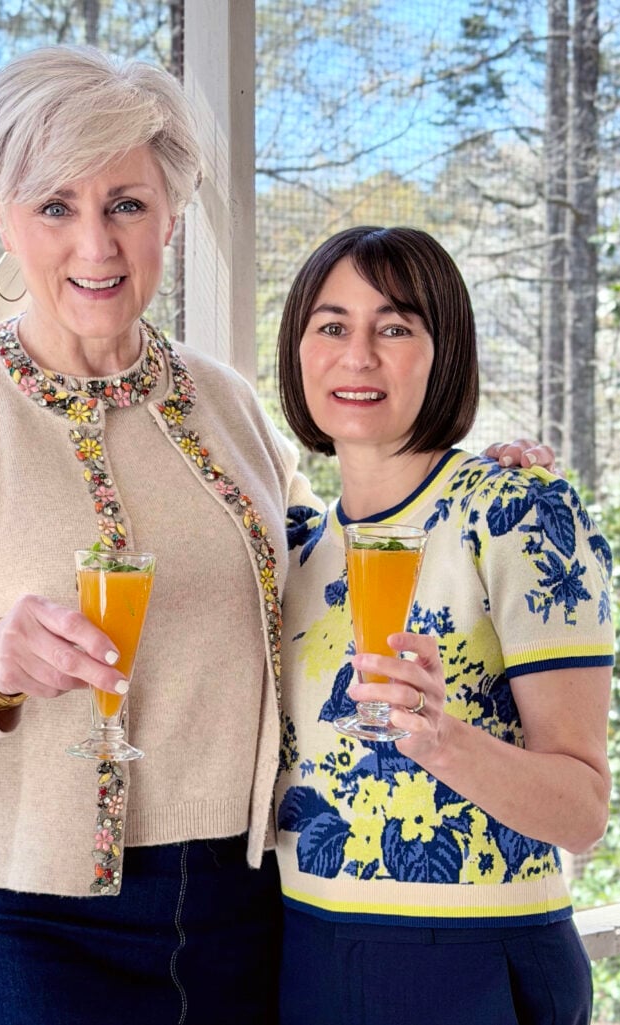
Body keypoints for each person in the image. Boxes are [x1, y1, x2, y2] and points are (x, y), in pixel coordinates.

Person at [0, 45, 554, 1023]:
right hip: (19, 925)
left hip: (240, 906)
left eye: (126, 204)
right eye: (56, 205)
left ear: (169, 218)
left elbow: (335, 564)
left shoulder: (223, 404)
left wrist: (466, 489)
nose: (96, 244)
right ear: (5, 215)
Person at [274, 226, 614, 1025]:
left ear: (444, 351)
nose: (357, 355)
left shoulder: (517, 512)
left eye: (394, 327)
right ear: (297, 351)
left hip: (470, 960)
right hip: (301, 950)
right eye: (330, 326)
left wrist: (440, 738)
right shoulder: (291, 548)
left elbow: (582, 808)